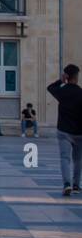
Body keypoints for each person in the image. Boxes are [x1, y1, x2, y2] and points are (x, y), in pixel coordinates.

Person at [48, 65, 82, 197]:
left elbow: (50, 88)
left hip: (64, 131)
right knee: (78, 159)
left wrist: (60, 81)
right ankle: (76, 185)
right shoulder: (80, 92)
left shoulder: (62, 91)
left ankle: (66, 184)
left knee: (65, 158)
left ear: (66, 76)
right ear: (76, 76)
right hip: (79, 132)